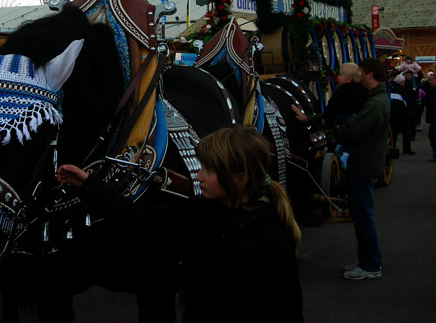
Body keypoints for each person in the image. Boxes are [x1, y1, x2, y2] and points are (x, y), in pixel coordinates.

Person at [56, 126, 303, 322]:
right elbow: (136, 218)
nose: (198, 176)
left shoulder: (271, 239)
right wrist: (88, 183)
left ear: (240, 179)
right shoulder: (202, 212)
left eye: (208, 170)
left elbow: (287, 311)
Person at [333, 57, 390, 280]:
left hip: (364, 163)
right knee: (361, 215)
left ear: (370, 75)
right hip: (365, 161)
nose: (360, 76)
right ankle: (367, 261)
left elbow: (353, 130)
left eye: (362, 72)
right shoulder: (377, 99)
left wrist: (339, 127)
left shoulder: (375, 104)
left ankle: (370, 266)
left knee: (363, 216)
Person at [292, 62, 367, 168]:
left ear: (348, 80)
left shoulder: (341, 91)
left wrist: (326, 117)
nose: (338, 78)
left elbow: (332, 105)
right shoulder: (362, 90)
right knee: (351, 137)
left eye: (340, 76)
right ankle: (345, 154)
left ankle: (340, 148)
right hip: (354, 117)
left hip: (341, 117)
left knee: (342, 133)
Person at [391, 74, 415, 155]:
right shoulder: (401, 89)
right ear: (401, 82)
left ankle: (392, 147)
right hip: (402, 114)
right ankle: (406, 149)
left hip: (392, 113)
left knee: (393, 132)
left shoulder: (390, 88)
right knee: (406, 131)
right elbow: (407, 100)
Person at [424, 73, 436, 160]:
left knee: (433, 135)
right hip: (433, 117)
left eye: (431, 80)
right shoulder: (432, 89)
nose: (429, 82)